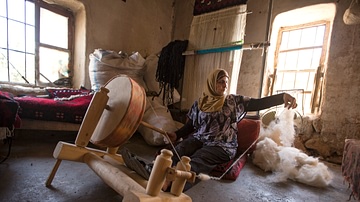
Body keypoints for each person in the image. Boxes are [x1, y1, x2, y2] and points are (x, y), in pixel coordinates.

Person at [121, 68, 297, 191]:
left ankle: (171, 182)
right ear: (212, 82)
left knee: (198, 159)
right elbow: (191, 126)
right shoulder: (201, 102)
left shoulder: (233, 101)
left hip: (222, 145)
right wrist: (177, 134)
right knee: (179, 150)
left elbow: (259, 103)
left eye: (226, 82)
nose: (224, 85)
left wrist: (282, 97)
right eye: (220, 82)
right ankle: (150, 170)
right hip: (200, 138)